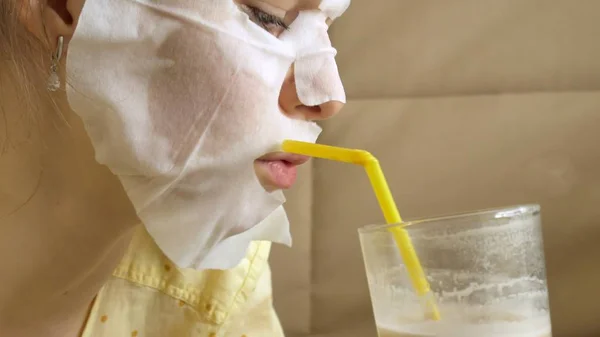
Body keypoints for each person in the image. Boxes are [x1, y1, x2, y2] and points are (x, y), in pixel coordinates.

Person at [0, 0, 347, 336]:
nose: (329, 97)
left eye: (325, 28)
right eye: (267, 18)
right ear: (60, 6)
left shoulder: (216, 288)